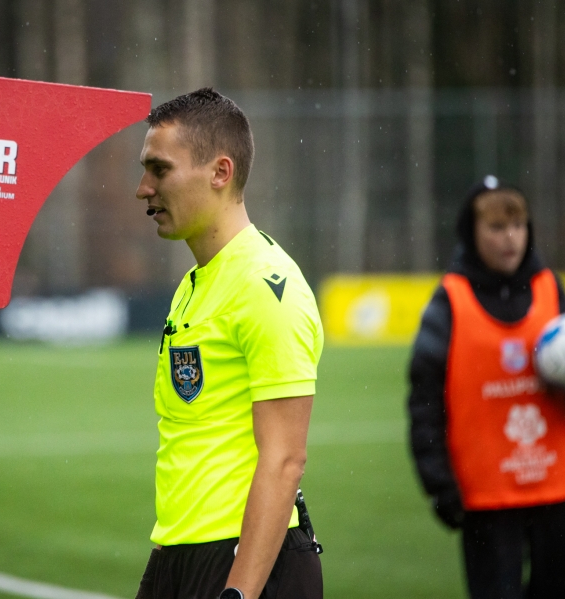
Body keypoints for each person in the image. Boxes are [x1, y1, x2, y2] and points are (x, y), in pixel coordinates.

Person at [133, 88, 324, 599]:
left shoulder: (266, 286)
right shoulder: (193, 285)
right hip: (179, 554)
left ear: (220, 172)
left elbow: (285, 459)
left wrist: (238, 593)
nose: (143, 189)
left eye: (159, 170)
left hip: (244, 564)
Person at [408, 175, 565, 599]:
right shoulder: (449, 300)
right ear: (471, 233)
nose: (510, 237)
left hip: (559, 490)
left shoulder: (550, 288)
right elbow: (425, 402)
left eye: (518, 225)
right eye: (496, 227)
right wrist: (439, 485)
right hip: (486, 497)